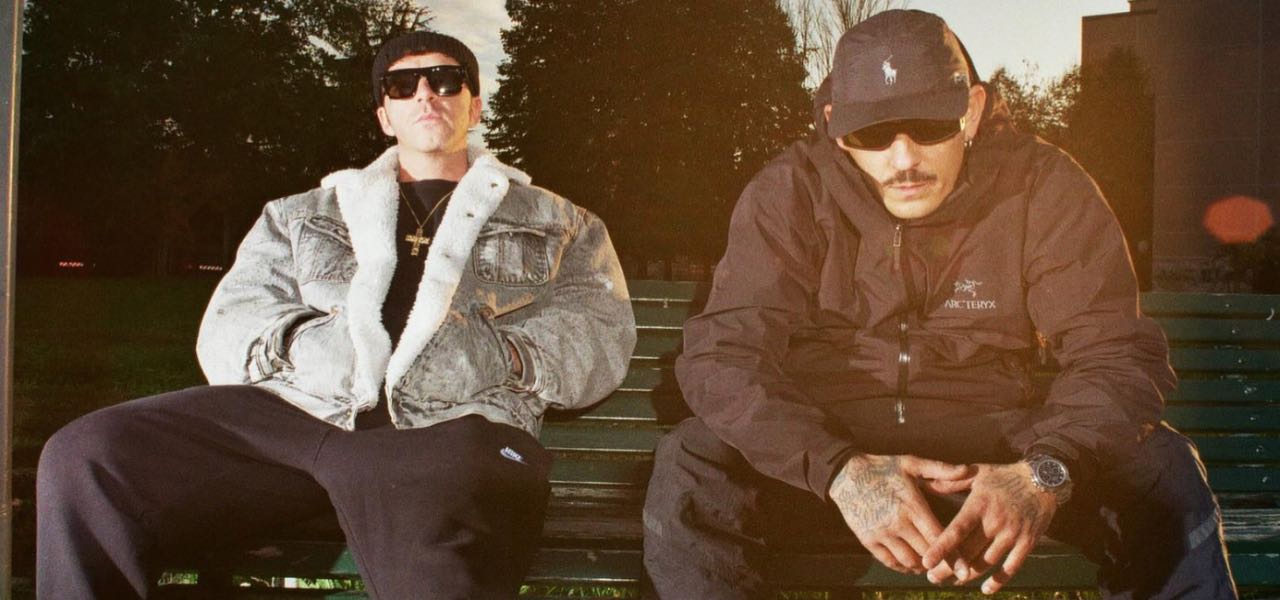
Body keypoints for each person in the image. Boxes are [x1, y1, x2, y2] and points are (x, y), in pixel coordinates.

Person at [643, 10, 1236, 599]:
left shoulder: (1043, 185)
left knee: (1162, 469)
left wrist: (1044, 472)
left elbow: (1117, 354)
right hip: (833, 459)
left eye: (929, 127)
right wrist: (839, 470)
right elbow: (723, 355)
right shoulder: (792, 191)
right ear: (834, 126)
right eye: (872, 135)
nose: (903, 159)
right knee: (694, 462)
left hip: (997, 456)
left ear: (971, 111)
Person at [36, 30, 636, 599]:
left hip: (448, 432)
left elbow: (598, 337)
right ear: (384, 116)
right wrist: (308, 344)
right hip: (296, 422)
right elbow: (232, 321)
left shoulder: (560, 222)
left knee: (447, 519)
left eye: (445, 80)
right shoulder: (300, 212)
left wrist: (492, 354)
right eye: (402, 86)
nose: (424, 94)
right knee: (89, 455)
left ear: (473, 107)